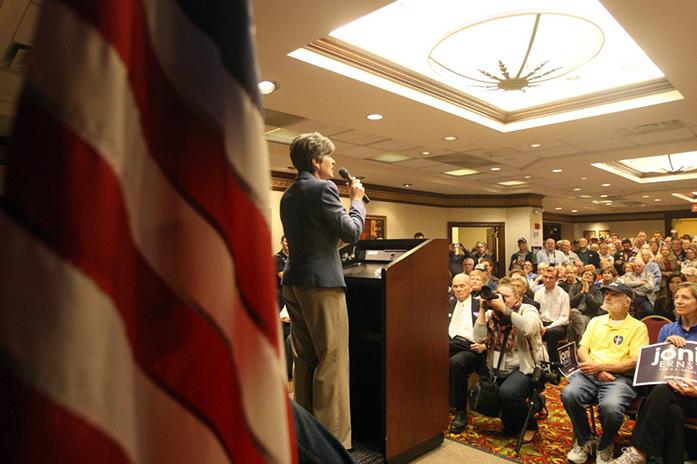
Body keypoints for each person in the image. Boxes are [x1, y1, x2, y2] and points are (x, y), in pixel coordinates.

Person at [280, 132, 366, 449]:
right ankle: (332, 444)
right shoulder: (324, 188)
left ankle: (305, 438)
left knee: (305, 361)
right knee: (331, 361)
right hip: (322, 286)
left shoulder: (289, 194)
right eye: (329, 157)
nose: (333, 162)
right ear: (316, 161)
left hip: (294, 283)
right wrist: (356, 199)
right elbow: (353, 231)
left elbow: (315, 237)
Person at [561, 282, 649, 464]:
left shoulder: (638, 327)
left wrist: (602, 368)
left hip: (619, 379)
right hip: (590, 374)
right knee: (569, 394)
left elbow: (635, 361)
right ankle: (585, 440)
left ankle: (605, 444)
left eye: (614, 294)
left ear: (627, 301)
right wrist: (596, 369)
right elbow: (582, 350)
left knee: (611, 407)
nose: (607, 297)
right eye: (606, 293)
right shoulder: (596, 321)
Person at [611, 282, 697, 464]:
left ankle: (638, 450)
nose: (678, 302)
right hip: (672, 394)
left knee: (663, 391)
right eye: (677, 298)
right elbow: (657, 370)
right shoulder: (668, 330)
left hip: (694, 395)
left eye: (685, 298)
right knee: (673, 411)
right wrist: (665, 346)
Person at [473, 282, 548, 442]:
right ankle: (537, 404)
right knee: (508, 425)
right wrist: (482, 308)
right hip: (500, 368)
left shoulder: (527, 309)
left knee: (508, 393)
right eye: (498, 295)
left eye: (506, 297)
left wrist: (505, 310)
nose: (500, 299)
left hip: (527, 367)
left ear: (517, 299)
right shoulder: (492, 315)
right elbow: (478, 337)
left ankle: (531, 426)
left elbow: (529, 327)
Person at [448, 274, 487, 434]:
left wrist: (485, 345)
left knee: (456, 363)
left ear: (471, 287)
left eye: (462, 285)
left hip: (472, 349)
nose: (458, 289)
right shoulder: (447, 303)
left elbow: (493, 329)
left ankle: (460, 411)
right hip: (450, 343)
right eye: (455, 286)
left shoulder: (481, 305)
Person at [534, 267, 571, 363]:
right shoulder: (538, 293)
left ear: (556, 279)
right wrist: (540, 326)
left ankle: (553, 363)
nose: (547, 280)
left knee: (551, 333)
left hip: (558, 325)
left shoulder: (563, 295)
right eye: (545, 277)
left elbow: (564, 318)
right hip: (542, 324)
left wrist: (548, 327)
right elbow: (536, 313)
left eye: (551, 278)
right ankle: (535, 363)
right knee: (529, 329)